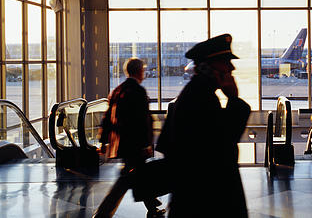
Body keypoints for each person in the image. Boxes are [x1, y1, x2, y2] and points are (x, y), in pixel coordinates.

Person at [156, 34, 251, 217]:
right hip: (206, 203)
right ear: (210, 67)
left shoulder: (194, 93)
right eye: (225, 62)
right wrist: (234, 100)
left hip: (194, 200)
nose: (231, 67)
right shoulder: (201, 98)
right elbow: (224, 144)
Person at [98, 58, 165, 218]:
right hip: (134, 145)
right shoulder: (138, 91)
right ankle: (103, 213)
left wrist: (103, 141)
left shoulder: (117, 90)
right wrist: (146, 144)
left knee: (138, 175)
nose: (144, 73)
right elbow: (142, 121)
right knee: (127, 179)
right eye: (143, 70)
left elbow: (107, 118)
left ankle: (152, 206)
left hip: (122, 144)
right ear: (138, 71)